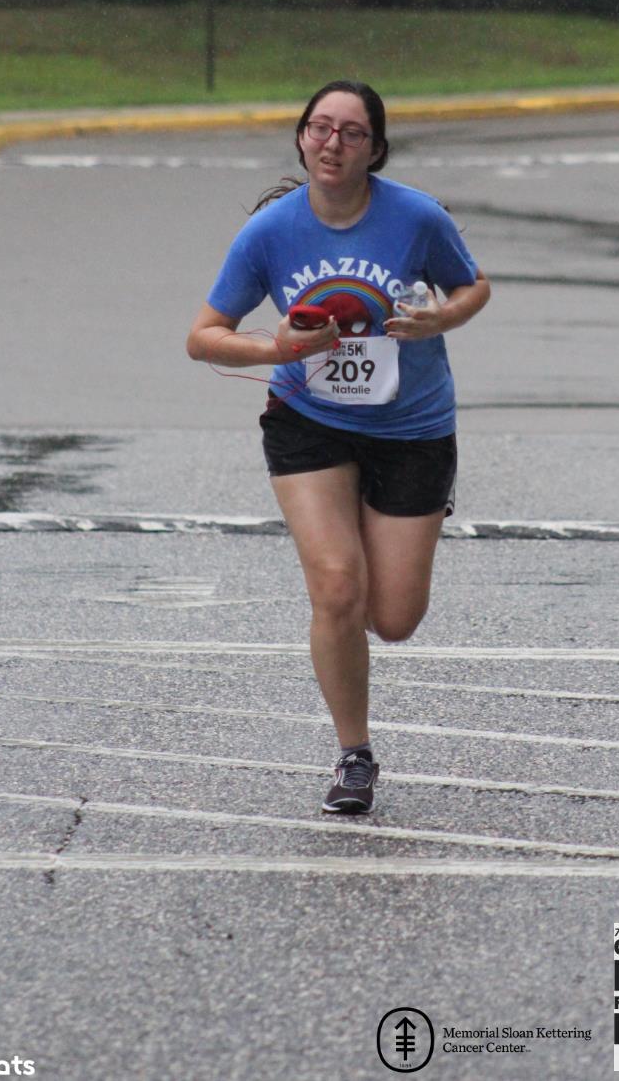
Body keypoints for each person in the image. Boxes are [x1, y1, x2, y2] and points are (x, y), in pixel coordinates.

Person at [186, 79, 490, 814]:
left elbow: (474, 287)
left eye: (352, 133)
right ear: (300, 139)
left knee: (394, 618)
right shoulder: (270, 232)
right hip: (308, 420)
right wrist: (275, 347)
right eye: (320, 128)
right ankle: (355, 756)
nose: (333, 143)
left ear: (375, 150)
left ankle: (374, 548)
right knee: (336, 587)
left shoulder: (416, 217)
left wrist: (440, 319)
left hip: (411, 428)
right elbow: (203, 337)